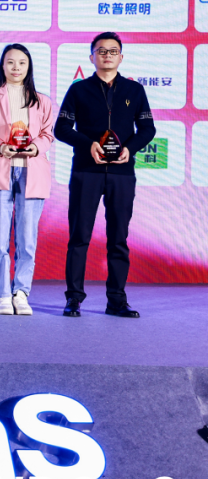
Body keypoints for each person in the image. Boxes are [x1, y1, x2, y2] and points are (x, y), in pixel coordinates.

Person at [55, 32, 155, 319]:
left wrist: (130, 149)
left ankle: (117, 301)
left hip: (122, 174)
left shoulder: (134, 90)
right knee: (79, 236)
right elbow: (61, 129)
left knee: (118, 238)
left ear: (121, 57)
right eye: (101, 51)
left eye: (113, 51)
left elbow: (147, 129)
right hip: (86, 171)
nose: (107, 55)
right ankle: (74, 299)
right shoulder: (78, 90)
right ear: (92, 57)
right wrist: (89, 144)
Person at [0, 44, 54, 316]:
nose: (16, 68)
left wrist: (35, 147)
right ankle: (1, 294)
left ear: (29, 66)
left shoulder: (42, 100)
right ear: (2, 66)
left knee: (27, 239)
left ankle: (21, 292)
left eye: (22, 62)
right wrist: (0, 146)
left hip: (32, 172)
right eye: (10, 62)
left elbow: (47, 134)